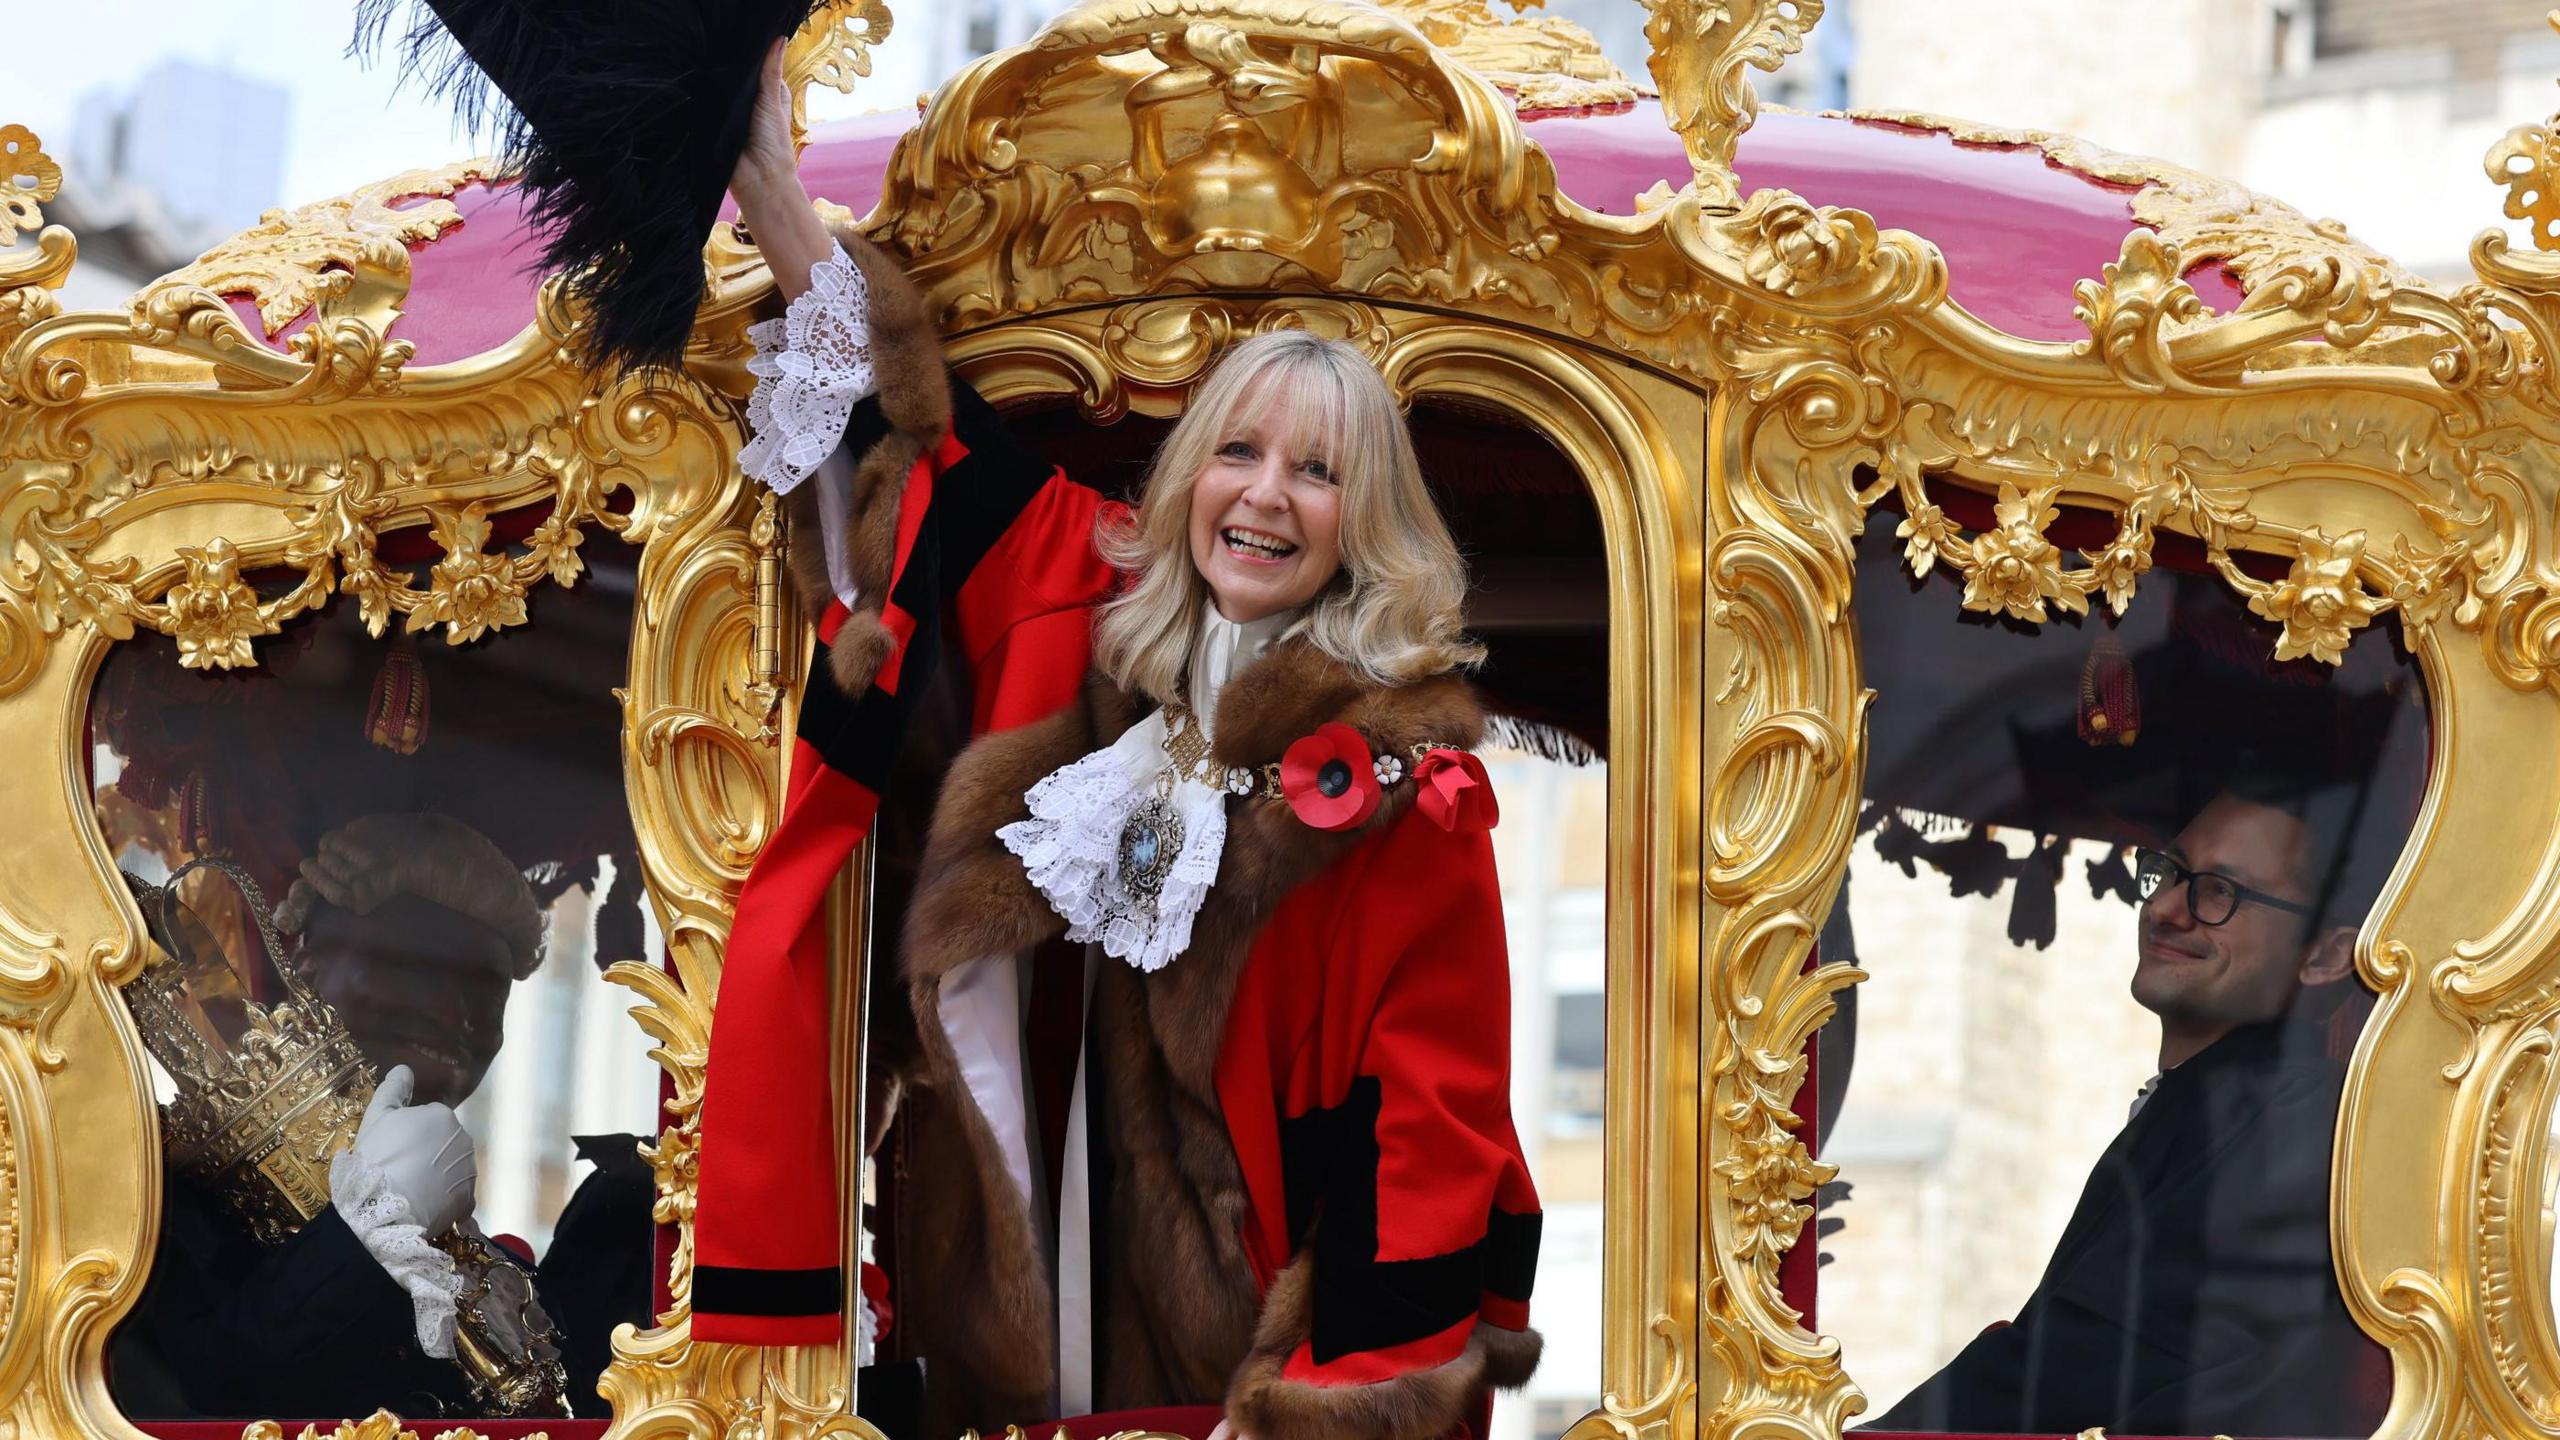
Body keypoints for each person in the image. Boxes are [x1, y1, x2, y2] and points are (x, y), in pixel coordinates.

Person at [694, 40, 1543, 1440]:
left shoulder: (1407, 799)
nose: (1266, 498)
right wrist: (772, 193)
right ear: (1186, 480)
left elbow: (1425, 1150)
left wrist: (1302, 1421)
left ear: (1365, 528)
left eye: (1318, 472)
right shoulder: (1090, 609)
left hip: (1235, 1400)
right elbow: (930, 438)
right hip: (1017, 1366)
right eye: (1238, 453)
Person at [1870, 778, 2390, 1437]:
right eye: (2171, 872)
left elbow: (2086, 1366)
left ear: (2324, 955)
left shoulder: (2293, 1120)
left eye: (2221, 892)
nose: (2168, 908)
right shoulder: (2206, 1100)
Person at [110, 812, 611, 1419]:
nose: (460, 1016)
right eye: (423, 968)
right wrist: (370, 1229)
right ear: (306, 963)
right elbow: (188, 1399)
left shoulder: (504, 1277)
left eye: (489, 995)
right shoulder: (170, 1210)